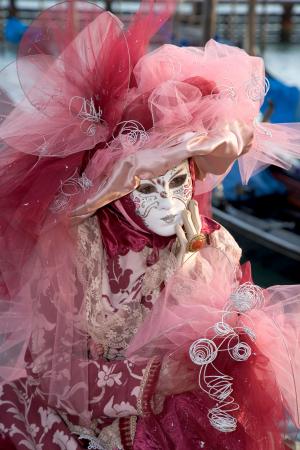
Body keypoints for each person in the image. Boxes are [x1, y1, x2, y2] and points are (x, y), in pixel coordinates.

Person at [0, 1, 300, 449]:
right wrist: (155, 378)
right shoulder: (77, 249)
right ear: (115, 191)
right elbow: (54, 373)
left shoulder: (211, 242)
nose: (168, 201)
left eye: (177, 181)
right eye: (146, 186)